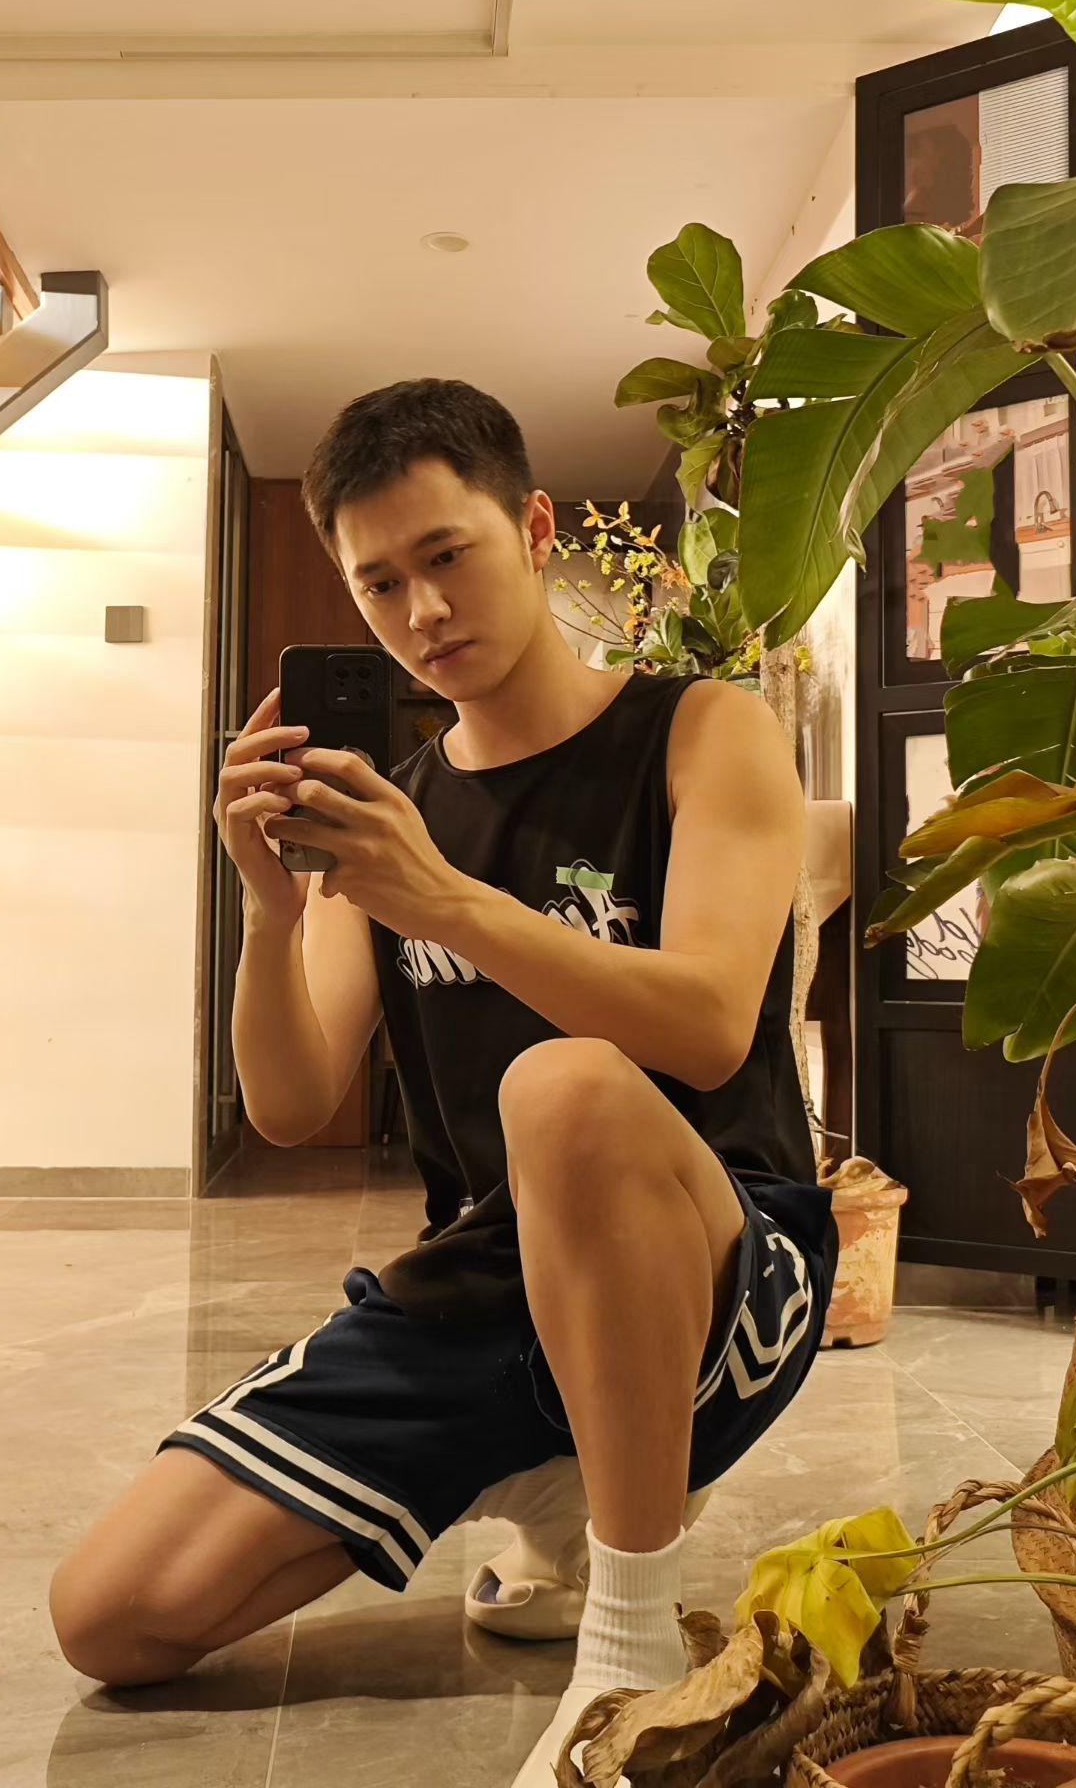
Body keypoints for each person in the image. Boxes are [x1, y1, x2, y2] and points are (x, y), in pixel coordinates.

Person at [48, 378, 839, 1786]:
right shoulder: (389, 816)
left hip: (726, 1258)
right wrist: (271, 911)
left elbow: (714, 1027)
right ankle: (551, 1478)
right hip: (486, 1275)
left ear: (533, 529)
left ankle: (630, 1644)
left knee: (565, 1091)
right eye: (379, 584)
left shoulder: (701, 731)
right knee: (112, 1616)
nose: (421, 612)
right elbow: (292, 1103)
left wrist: (443, 899)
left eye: (447, 555)